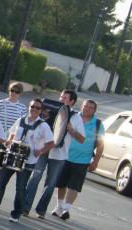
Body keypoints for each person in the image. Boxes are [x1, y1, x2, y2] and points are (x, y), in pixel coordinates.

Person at [0, 99, 54, 223]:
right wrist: (8, 141)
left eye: (37, 108)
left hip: (28, 161)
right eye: (32, 106)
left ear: (41, 111)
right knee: (0, 184)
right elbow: (12, 134)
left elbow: (51, 143)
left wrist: (40, 151)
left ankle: (16, 214)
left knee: (20, 188)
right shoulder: (21, 120)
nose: (34, 109)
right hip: (12, 156)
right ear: (29, 107)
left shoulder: (43, 125)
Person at [23, 89, 85, 218]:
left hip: (59, 154)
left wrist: (70, 129)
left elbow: (82, 139)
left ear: (72, 102)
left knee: (50, 183)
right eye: (61, 97)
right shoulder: (49, 110)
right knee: (35, 177)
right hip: (43, 149)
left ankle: (41, 209)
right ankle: (25, 207)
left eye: (65, 98)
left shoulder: (75, 116)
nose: (61, 100)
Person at [52, 99, 103, 220]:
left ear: (94, 111)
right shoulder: (73, 117)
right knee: (61, 183)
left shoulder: (98, 124)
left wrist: (95, 161)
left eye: (90, 108)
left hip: (83, 160)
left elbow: (101, 144)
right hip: (65, 155)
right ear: (82, 106)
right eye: (85, 106)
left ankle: (66, 209)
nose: (87, 109)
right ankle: (59, 206)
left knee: (74, 186)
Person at [0, 82, 27, 193]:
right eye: (12, 90)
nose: (13, 93)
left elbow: (22, 125)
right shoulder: (0, 104)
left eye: (16, 91)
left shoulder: (23, 108)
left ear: (20, 94)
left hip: (12, 140)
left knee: (5, 165)